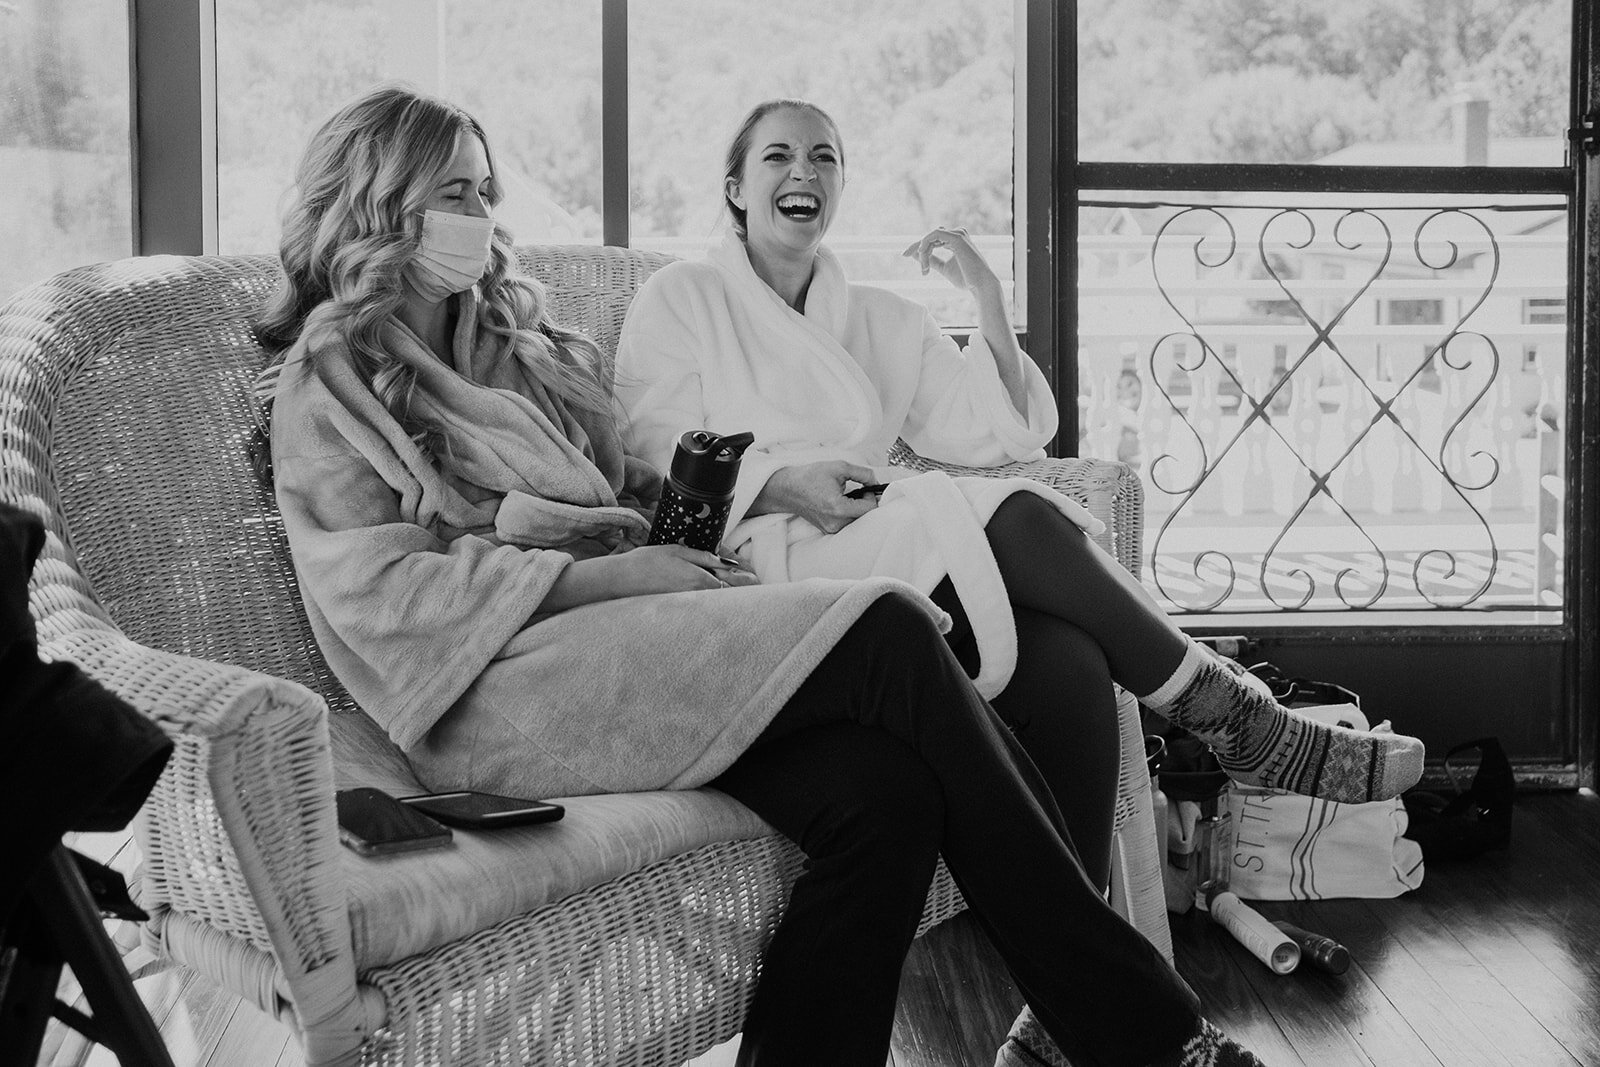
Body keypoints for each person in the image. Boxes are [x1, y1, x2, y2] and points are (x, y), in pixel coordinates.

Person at [260, 82, 1272, 1067]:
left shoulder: (515, 349)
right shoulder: (336, 378)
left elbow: (622, 487)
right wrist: (601, 580)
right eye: (455, 196)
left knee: (887, 793)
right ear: (383, 205)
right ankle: (1140, 1031)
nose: (481, 217)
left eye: (486, 193)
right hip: (501, 689)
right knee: (885, 628)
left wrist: (702, 507)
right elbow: (381, 594)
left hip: (635, 653)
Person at [612, 97, 1426, 1065]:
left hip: (882, 549)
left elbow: (996, 434)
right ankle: (1237, 719)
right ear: (735, 187)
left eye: (824, 155)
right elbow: (644, 447)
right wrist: (781, 480)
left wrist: (988, 301)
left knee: (1068, 662)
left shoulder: (873, 314)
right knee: (1028, 517)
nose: (804, 171)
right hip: (770, 578)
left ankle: (1054, 1023)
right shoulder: (680, 298)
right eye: (779, 155)